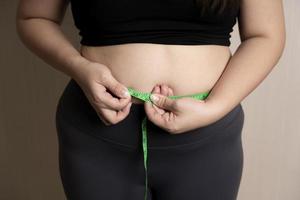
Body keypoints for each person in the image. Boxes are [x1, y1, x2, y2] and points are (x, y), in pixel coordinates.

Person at [16, 0, 286, 199]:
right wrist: (80, 68)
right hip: (96, 132)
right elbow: (33, 18)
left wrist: (213, 108)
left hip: (207, 135)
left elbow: (265, 35)